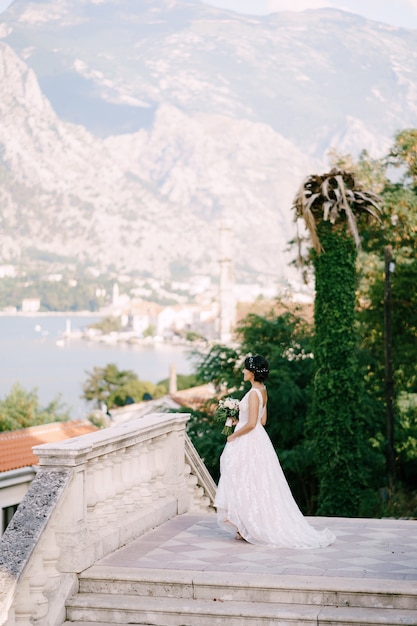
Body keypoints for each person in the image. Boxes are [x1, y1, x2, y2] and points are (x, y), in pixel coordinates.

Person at [214, 354, 335, 548]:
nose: (243, 371)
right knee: (256, 482)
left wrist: (233, 435)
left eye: (246, 369)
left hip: (248, 441)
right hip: (259, 441)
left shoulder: (254, 393)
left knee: (242, 480)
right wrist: (236, 420)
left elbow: (253, 423)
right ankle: (246, 526)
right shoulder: (263, 390)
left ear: (252, 372)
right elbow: (263, 421)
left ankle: (249, 527)